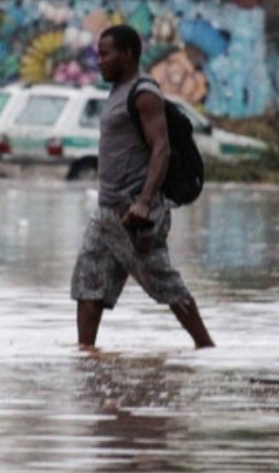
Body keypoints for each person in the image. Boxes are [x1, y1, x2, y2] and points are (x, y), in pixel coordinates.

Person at [70, 24, 215, 350]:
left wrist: (145, 203)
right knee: (88, 284)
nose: (99, 61)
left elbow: (160, 148)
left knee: (163, 282)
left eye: (105, 54)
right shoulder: (117, 90)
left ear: (127, 54)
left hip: (134, 212)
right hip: (107, 210)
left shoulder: (144, 92)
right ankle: (86, 358)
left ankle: (206, 349)